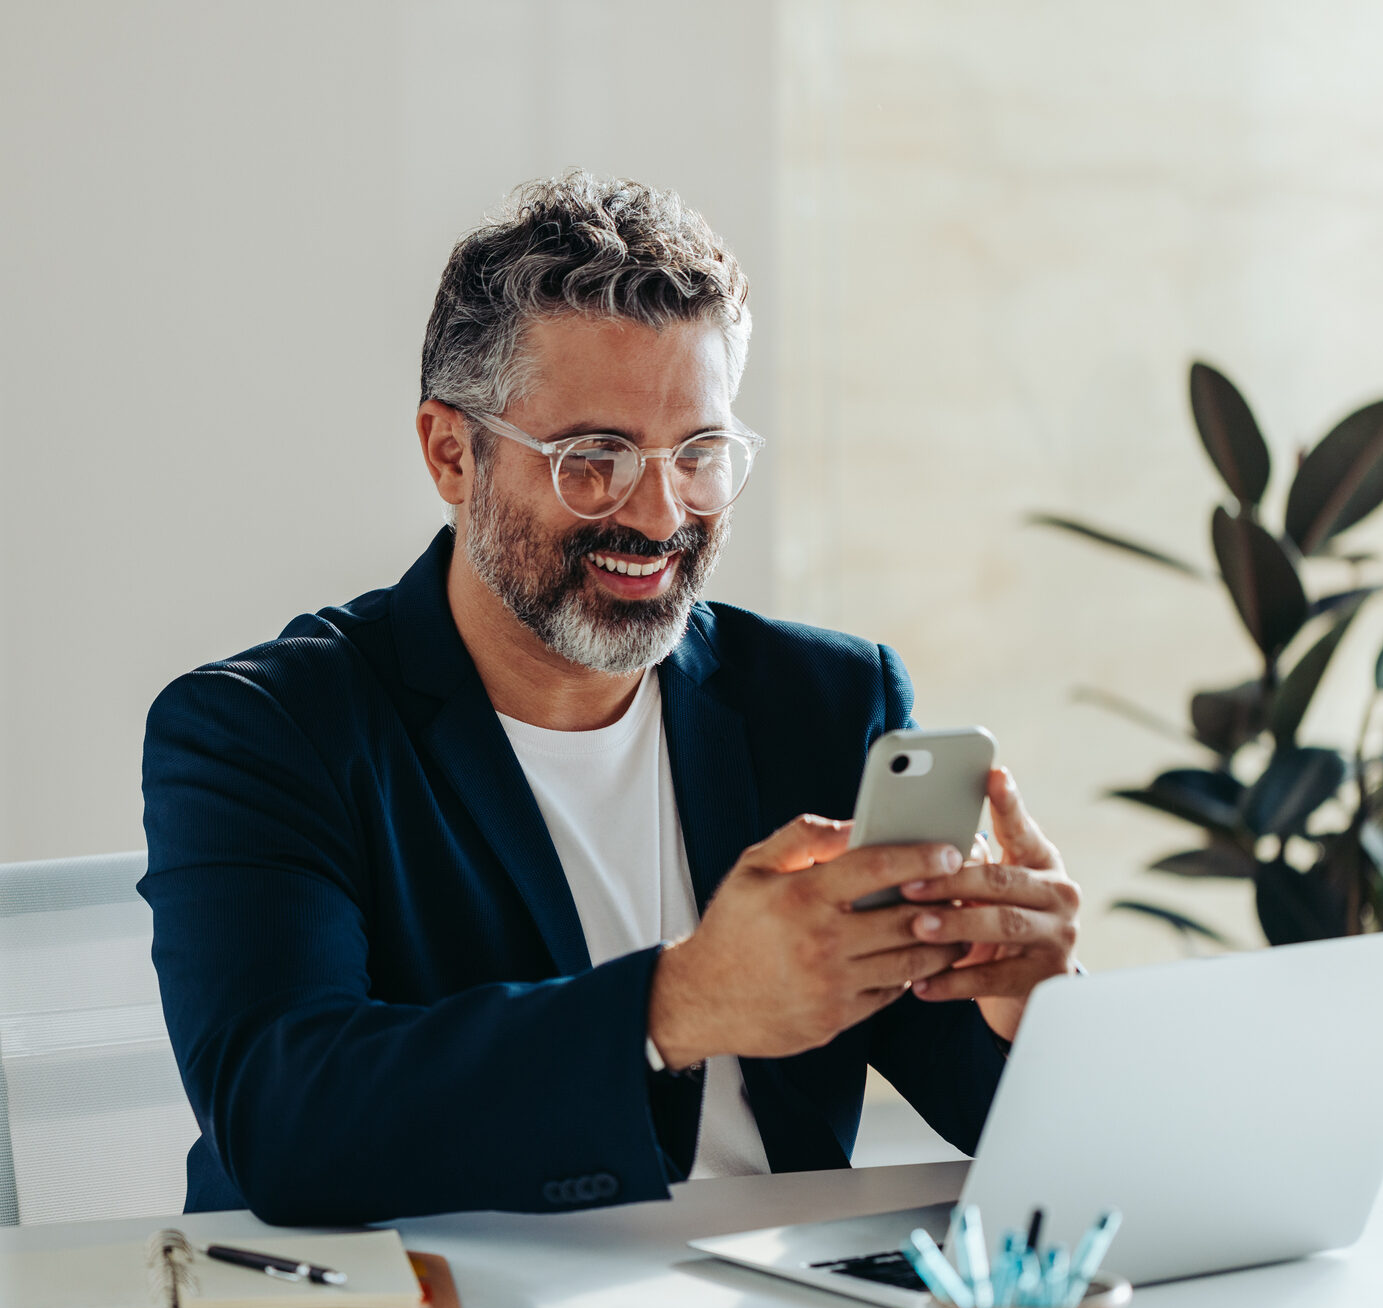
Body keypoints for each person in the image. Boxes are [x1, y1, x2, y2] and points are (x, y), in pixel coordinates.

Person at [141, 171, 1081, 1226]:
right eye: (593, 458)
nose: (659, 511)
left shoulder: (821, 699)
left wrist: (1019, 1010)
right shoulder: (262, 731)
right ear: (452, 454)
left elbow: (987, 1104)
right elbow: (285, 1121)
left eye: (699, 454)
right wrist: (676, 1005)